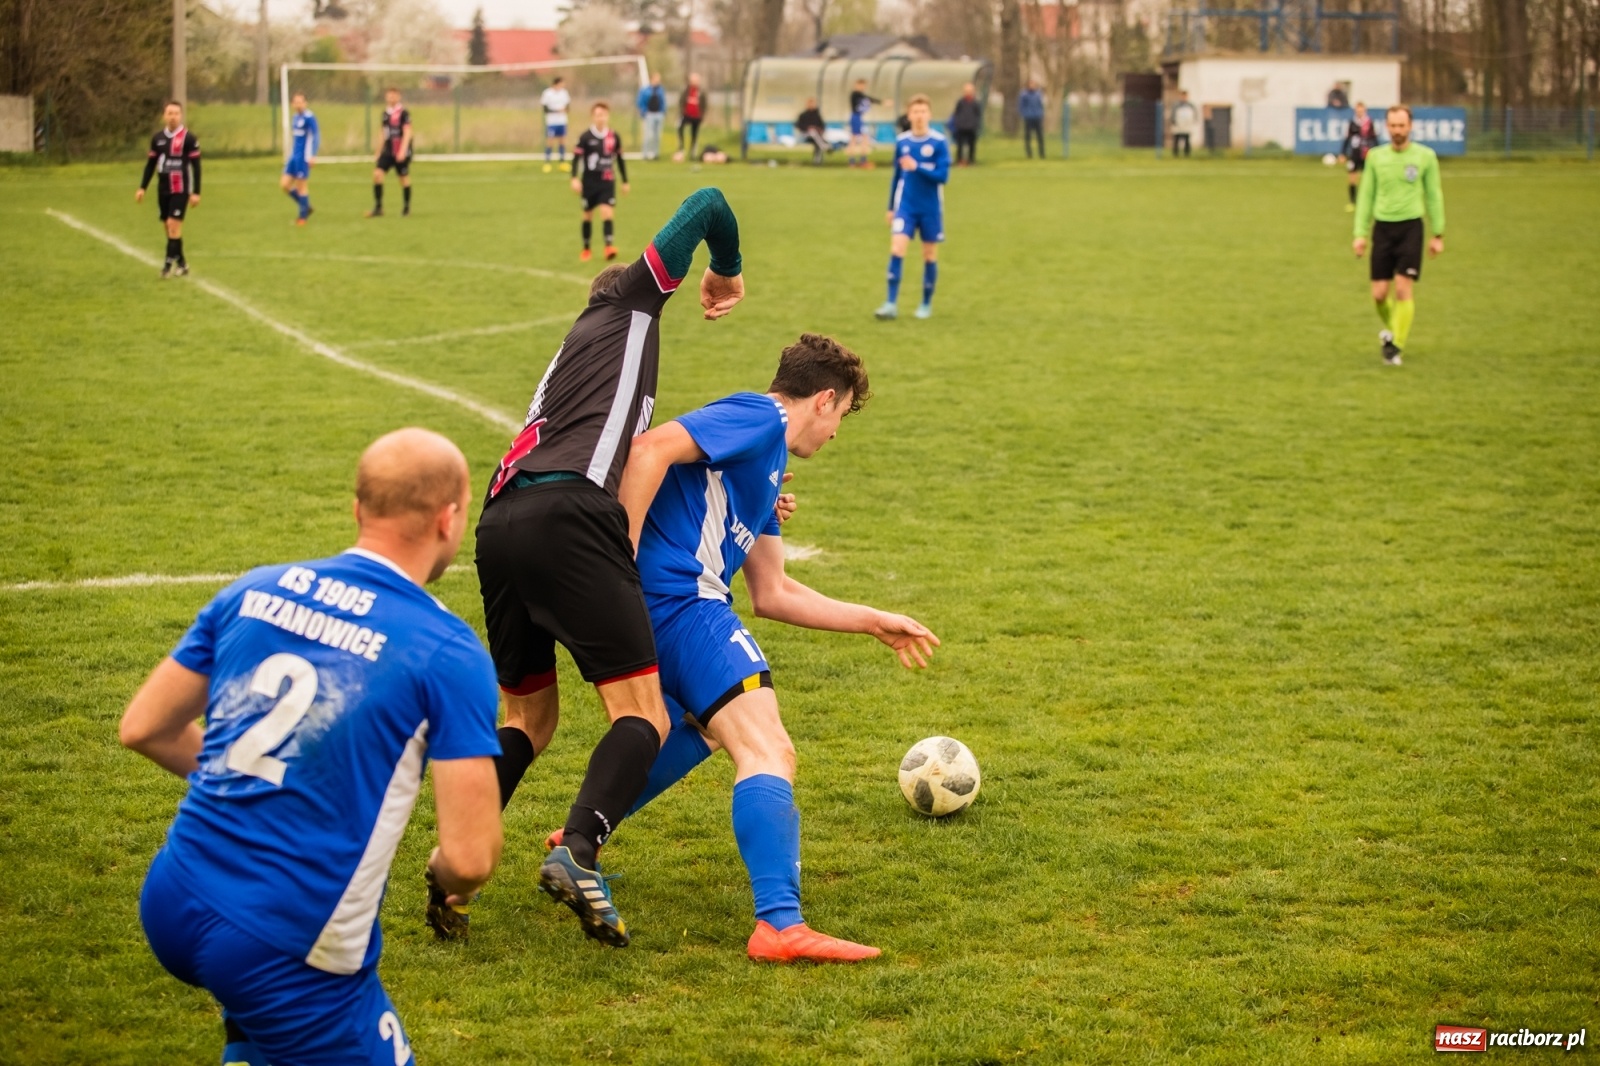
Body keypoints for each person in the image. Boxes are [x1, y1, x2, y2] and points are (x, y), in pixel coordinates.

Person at [543, 334, 939, 963]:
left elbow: (773, 593)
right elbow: (648, 449)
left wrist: (872, 621)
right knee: (767, 748)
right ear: (823, 399)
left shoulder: (763, 468)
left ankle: (583, 832)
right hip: (682, 603)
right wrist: (621, 557)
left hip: (671, 606)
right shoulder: (762, 416)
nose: (836, 431)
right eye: (840, 415)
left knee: (702, 727)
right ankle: (779, 924)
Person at [121, 428, 503, 1066]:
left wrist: (256, 784)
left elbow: (145, 727)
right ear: (449, 518)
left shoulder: (255, 589)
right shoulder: (447, 650)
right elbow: (469, 858)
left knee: (257, 1026)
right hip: (285, 941)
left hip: (174, 893)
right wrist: (443, 874)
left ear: (358, 509)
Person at [473, 188, 744, 948]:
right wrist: (726, 268)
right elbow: (707, 203)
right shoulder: (626, 305)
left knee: (528, 720)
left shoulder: (577, 361)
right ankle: (578, 851)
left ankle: (455, 858)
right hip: (569, 516)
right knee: (644, 714)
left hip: (500, 523)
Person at [1353, 104, 1445, 366]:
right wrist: (1360, 233)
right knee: (1379, 294)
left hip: (1411, 228)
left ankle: (1395, 347)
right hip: (1382, 229)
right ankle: (1394, 331)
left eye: (1402, 125)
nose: (1397, 130)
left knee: (1403, 288)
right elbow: (1366, 196)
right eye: (1393, 125)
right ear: (1387, 127)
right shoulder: (1376, 157)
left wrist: (1438, 233)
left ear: (1410, 126)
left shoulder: (1425, 156)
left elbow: (1434, 195)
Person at [875, 94, 949, 322]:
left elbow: (942, 176)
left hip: (930, 208)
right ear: (909, 115)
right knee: (897, 248)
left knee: (929, 254)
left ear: (929, 114)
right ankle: (890, 304)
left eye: (923, 111)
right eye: (915, 112)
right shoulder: (902, 142)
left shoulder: (939, 142)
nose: (919, 116)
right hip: (906, 206)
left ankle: (925, 303)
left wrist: (917, 167)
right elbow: (897, 177)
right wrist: (891, 207)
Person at [135, 100, 201, 279]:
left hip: (181, 188)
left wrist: (196, 192)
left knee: (173, 225)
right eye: (170, 113)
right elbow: (150, 165)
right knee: (169, 227)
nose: (173, 117)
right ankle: (183, 264)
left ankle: (166, 266)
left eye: (176, 113)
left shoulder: (189, 138)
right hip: (163, 188)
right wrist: (142, 187)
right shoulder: (158, 139)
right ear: (164, 116)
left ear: (181, 115)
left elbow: (196, 167)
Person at [571, 101, 629, 262]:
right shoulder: (585, 137)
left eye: (603, 114)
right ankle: (586, 248)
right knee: (587, 215)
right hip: (589, 183)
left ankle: (609, 246)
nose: (600, 118)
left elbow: (620, 159)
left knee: (607, 212)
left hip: (607, 182)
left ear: (607, 116)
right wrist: (574, 178)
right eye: (597, 115)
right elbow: (576, 158)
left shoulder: (614, 136)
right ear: (593, 117)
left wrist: (625, 181)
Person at [367, 88, 412, 218]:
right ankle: (378, 207)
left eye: (393, 96)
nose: (391, 98)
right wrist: (378, 151)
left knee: (403, 179)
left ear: (398, 97)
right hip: (388, 151)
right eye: (389, 96)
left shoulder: (404, 113)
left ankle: (406, 208)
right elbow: (383, 133)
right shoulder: (385, 114)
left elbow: (408, 132)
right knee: (377, 174)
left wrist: (402, 151)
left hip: (400, 151)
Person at [281, 92, 319, 225]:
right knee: (284, 184)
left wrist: (312, 155)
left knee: (301, 186)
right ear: (292, 104)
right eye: (296, 102)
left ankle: (303, 218)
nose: (298, 104)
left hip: (303, 157)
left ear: (305, 103)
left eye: (300, 102)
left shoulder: (309, 118)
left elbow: (316, 136)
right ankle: (306, 206)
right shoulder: (295, 117)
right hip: (293, 156)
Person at [1340, 101, 1378, 211]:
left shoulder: (1369, 123)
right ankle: (1352, 202)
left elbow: (1374, 138)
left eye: (1361, 111)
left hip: (1366, 155)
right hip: (1354, 154)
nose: (1359, 113)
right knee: (1352, 178)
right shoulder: (1352, 122)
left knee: (1368, 179)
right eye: (1358, 111)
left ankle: (1369, 201)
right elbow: (1347, 138)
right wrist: (1343, 153)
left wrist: (1376, 152)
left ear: (1365, 111)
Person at [847, 78, 880, 167]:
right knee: (856, 138)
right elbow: (868, 99)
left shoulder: (859, 96)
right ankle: (857, 161)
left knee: (862, 138)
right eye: (861, 85)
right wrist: (881, 102)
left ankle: (859, 161)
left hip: (858, 117)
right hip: (856, 117)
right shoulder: (856, 94)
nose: (863, 88)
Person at [949, 82, 982, 166]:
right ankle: (959, 160)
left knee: (972, 145)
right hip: (961, 127)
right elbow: (956, 113)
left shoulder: (975, 103)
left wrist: (976, 124)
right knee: (960, 145)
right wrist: (957, 123)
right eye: (967, 91)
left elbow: (978, 115)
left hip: (971, 127)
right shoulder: (960, 102)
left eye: (970, 90)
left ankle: (971, 161)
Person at [542, 76, 571, 163]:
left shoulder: (564, 93)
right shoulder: (547, 93)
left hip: (562, 121)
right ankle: (547, 161)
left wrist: (565, 110)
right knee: (550, 141)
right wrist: (557, 111)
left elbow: (568, 107)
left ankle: (562, 161)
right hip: (551, 122)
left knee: (562, 141)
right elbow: (545, 109)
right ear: (556, 84)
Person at [637, 72, 666, 160]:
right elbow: (640, 102)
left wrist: (663, 111)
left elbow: (663, 101)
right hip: (649, 114)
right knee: (648, 135)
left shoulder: (660, 90)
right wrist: (644, 112)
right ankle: (645, 154)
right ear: (652, 79)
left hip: (659, 114)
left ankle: (656, 154)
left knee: (657, 136)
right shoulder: (645, 90)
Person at [677, 73, 705, 160]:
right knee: (680, 128)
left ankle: (692, 152)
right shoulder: (686, 90)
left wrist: (702, 114)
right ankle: (681, 148)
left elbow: (704, 104)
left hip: (696, 117)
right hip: (686, 115)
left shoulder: (701, 91)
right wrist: (682, 111)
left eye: (696, 80)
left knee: (694, 134)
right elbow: (681, 101)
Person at [796, 98, 829, 165]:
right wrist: (808, 128)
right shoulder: (803, 115)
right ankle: (824, 146)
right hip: (806, 135)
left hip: (817, 136)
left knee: (817, 141)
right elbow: (799, 126)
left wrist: (818, 129)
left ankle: (817, 161)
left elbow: (822, 126)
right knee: (812, 132)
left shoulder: (817, 115)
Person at [1018, 79, 1046, 158]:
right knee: (1028, 137)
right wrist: (1024, 114)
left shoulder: (1038, 94)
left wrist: (1041, 113)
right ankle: (1029, 154)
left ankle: (1042, 154)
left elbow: (1040, 104)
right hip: (1028, 117)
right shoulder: (1024, 94)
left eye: (1033, 84)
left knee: (1040, 136)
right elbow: (1021, 106)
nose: (1032, 86)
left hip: (1037, 117)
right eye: (1030, 84)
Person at [1170, 90, 1198, 157]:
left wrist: (1193, 121)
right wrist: (1174, 122)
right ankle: (1175, 154)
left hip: (1187, 125)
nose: (1184, 98)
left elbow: (1195, 114)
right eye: (1182, 96)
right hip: (1178, 125)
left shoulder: (1191, 105)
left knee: (1187, 139)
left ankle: (1187, 153)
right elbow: (1173, 115)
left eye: (1185, 96)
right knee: (1176, 139)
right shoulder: (1176, 105)